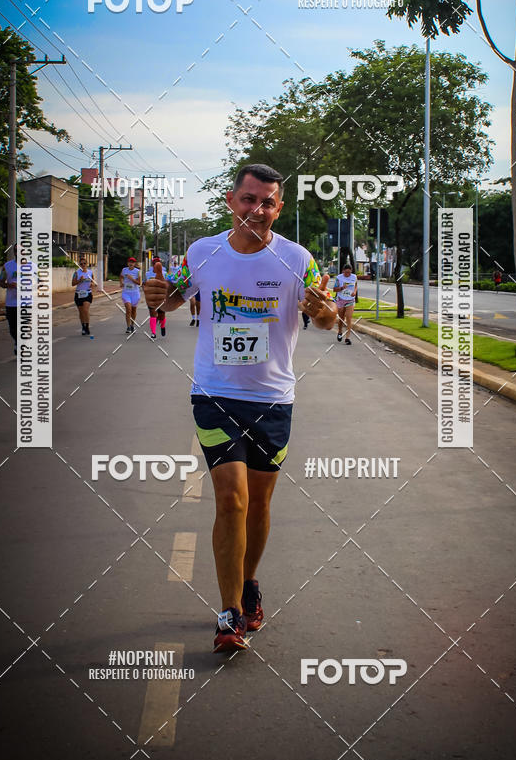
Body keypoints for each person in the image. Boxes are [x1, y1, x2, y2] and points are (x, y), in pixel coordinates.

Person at [143, 163, 337, 653]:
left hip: (273, 399)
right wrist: (157, 297)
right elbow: (171, 301)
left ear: (280, 207)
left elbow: (328, 315)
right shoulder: (202, 252)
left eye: (268, 201)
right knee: (231, 498)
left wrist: (325, 312)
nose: (258, 209)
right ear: (231, 201)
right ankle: (228, 612)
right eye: (249, 199)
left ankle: (249, 583)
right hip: (214, 394)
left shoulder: (299, 260)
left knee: (260, 504)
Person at [0, 244, 19, 355]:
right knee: (13, 328)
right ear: (14, 252)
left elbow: (40, 282)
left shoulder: (33, 266)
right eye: (16, 250)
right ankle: (17, 342)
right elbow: (0, 282)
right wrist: (9, 285)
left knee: (25, 326)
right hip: (11, 303)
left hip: (27, 302)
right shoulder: (7, 266)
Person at [143, 256, 167, 338]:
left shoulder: (164, 274)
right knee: (152, 314)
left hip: (161, 297)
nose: (156, 264)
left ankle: (162, 326)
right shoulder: (147, 274)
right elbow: (144, 284)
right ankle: (153, 333)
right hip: (151, 298)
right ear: (152, 264)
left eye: (157, 263)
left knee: (162, 314)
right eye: (154, 263)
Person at [72, 257, 97, 335]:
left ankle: (87, 327)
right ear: (79, 265)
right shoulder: (76, 272)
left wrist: (92, 284)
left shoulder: (90, 272)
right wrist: (80, 280)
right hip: (78, 294)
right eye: (81, 264)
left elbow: (94, 282)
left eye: (84, 263)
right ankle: (83, 326)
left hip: (87, 293)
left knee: (85, 310)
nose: (83, 265)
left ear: (87, 264)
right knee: (81, 312)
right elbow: (72, 283)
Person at [334, 263, 357, 345]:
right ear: (343, 271)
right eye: (346, 272)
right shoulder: (339, 278)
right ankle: (340, 332)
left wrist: (354, 292)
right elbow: (334, 289)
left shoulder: (354, 277)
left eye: (349, 272)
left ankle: (347, 337)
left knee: (349, 318)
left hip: (350, 300)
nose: (348, 274)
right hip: (341, 299)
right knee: (341, 318)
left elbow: (356, 285)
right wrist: (341, 288)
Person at [119, 256, 141, 334]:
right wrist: (121, 283)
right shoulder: (124, 270)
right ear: (128, 263)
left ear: (134, 264)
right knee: (128, 309)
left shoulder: (137, 271)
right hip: (126, 293)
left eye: (132, 262)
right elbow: (121, 276)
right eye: (130, 262)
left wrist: (132, 279)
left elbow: (139, 283)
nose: (131, 263)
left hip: (135, 293)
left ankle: (132, 325)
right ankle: (128, 327)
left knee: (133, 310)